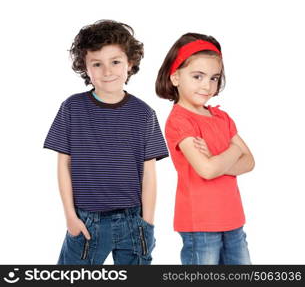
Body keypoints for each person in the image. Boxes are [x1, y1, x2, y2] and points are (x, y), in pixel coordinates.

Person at [43, 19, 169, 265]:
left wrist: (148, 223)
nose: (107, 71)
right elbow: (63, 166)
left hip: (133, 220)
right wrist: (70, 215)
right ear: (86, 68)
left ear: (129, 64)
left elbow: (149, 174)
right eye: (97, 64)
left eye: (115, 62)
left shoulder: (144, 114)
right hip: (86, 220)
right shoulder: (72, 108)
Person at [156, 33, 255, 265]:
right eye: (198, 76)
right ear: (175, 77)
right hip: (200, 225)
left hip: (233, 220)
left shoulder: (221, 117)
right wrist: (232, 151)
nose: (207, 85)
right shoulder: (180, 121)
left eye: (213, 78)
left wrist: (215, 158)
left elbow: (250, 161)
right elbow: (207, 170)